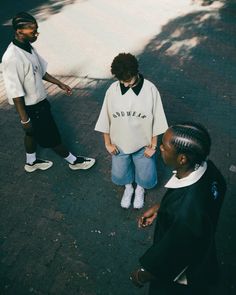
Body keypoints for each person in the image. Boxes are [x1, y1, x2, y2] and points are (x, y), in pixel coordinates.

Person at [130, 122, 226, 294]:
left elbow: (172, 254)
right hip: (204, 250)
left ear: (182, 159)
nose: (160, 147)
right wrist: (162, 208)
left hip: (183, 275)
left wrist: (142, 274)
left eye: (164, 147)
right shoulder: (211, 172)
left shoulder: (184, 215)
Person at [2, 12, 95, 172]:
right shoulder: (12, 58)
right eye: (32, 32)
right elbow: (15, 93)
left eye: (36, 30)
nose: (36, 34)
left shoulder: (28, 47)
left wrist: (59, 83)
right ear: (19, 31)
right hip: (33, 108)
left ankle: (31, 163)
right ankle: (74, 162)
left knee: (31, 135)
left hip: (39, 104)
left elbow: (40, 70)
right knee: (52, 137)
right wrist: (25, 120)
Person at [95, 53, 168, 209]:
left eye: (128, 80)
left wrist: (153, 145)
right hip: (119, 144)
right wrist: (107, 143)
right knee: (121, 173)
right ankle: (129, 188)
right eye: (122, 80)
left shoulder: (150, 89)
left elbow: (157, 119)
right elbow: (105, 118)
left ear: (136, 72)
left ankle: (140, 188)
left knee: (146, 175)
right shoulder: (112, 90)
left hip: (143, 145)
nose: (125, 84)